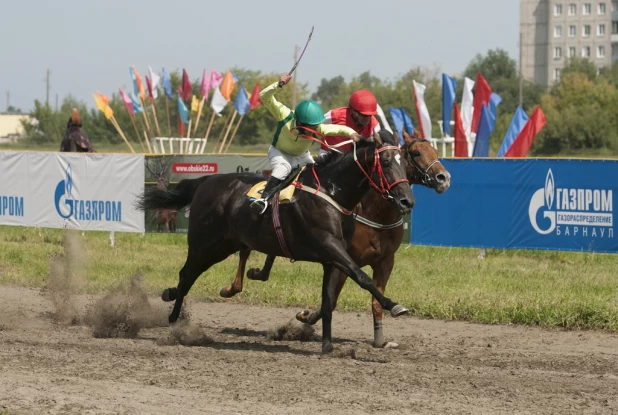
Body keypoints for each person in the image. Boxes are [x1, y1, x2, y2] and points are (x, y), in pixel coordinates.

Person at [250, 74, 362, 215]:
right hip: (279, 153)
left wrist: (352, 133)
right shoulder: (284, 115)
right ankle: (263, 200)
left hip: (302, 156)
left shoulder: (317, 127)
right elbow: (264, 96)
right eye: (312, 126)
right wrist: (278, 84)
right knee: (282, 169)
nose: (316, 129)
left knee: (319, 172)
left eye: (317, 126)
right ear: (301, 123)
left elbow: (336, 128)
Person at [319, 90, 381, 157]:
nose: (367, 119)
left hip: (353, 159)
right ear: (352, 110)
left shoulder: (374, 126)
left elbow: (377, 148)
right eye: (363, 115)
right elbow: (315, 126)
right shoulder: (335, 115)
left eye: (370, 115)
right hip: (328, 155)